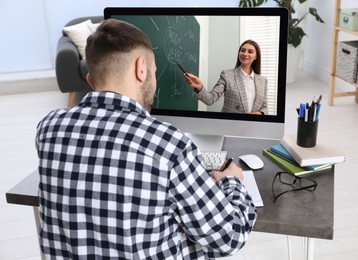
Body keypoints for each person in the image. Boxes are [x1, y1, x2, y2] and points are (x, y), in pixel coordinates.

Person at [35, 19, 257, 259]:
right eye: (153, 71)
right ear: (141, 69)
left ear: (90, 81)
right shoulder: (168, 145)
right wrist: (233, 182)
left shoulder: (49, 128)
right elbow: (229, 236)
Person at [185, 40, 268, 115]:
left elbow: (264, 107)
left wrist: (260, 113)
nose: (245, 54)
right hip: (230, 126)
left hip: (253, 127)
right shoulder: (227, 75)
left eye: (250, 52)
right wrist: (199, 87)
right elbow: (210, 99)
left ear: (256, 57)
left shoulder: (263, 81)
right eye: (242, 50)